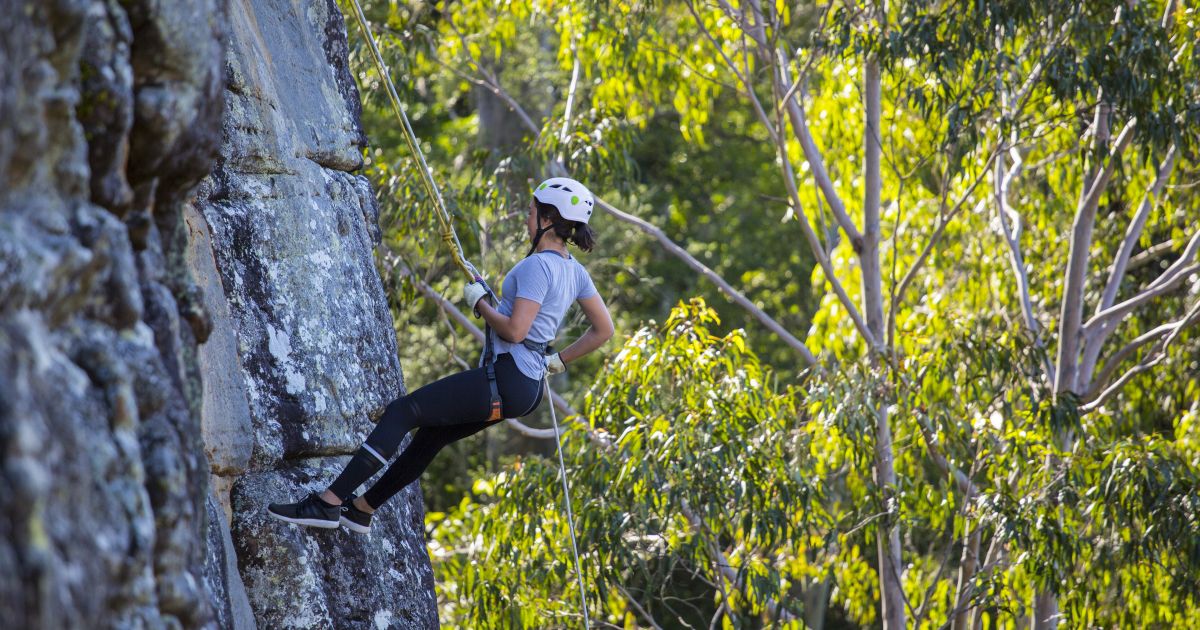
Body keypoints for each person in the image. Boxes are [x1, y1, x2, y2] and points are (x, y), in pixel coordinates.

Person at [267, 176, 614, 534]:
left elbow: (514, 331)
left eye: (530, 213)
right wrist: (556, 361)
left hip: (509, 378)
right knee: (431, 436)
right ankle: (361, 509)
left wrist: (480, 304)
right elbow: (604, 330)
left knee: (403, 412)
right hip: (527, 389)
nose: (527, 221)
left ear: (546, 219)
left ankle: (328, 503)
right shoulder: (575, 271)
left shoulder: (536, 266)